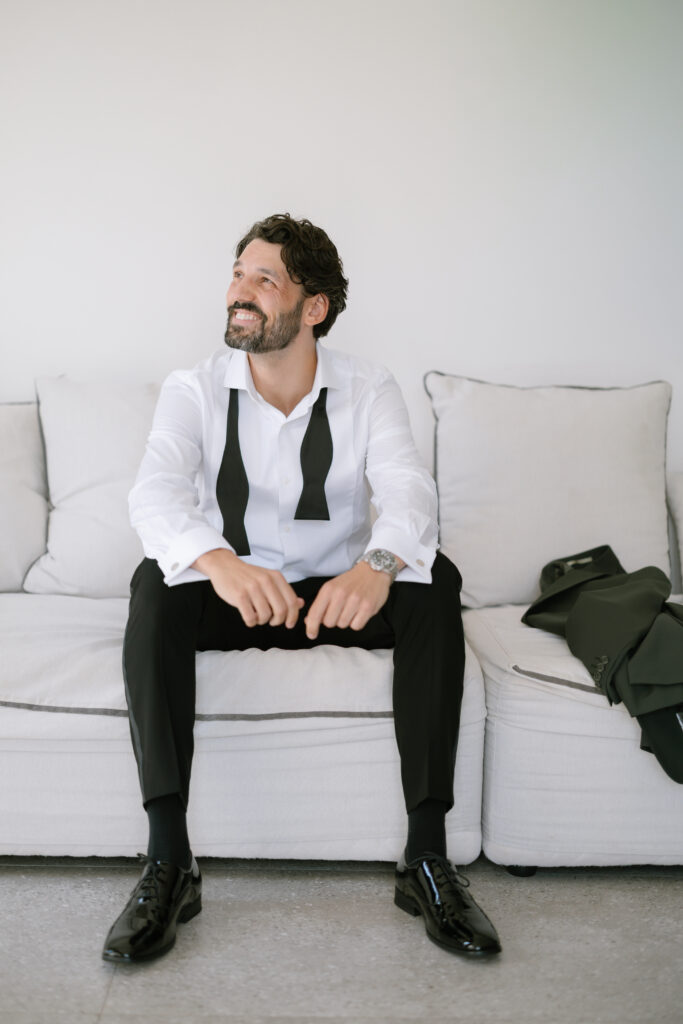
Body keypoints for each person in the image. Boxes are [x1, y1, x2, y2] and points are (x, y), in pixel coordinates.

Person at [102, 213, 501, 963]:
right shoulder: (191, 388)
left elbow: (410, 493)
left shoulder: (368, 388)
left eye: (263, 279)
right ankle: (168, 863)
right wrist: (220, 563)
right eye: (236, 273)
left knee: (432, 580)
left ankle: (424, 860)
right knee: (154, 583)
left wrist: (374, 567)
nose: (238, 293)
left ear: (312, 307)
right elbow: (153, 497)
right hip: (235, 592)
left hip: (332, 598)